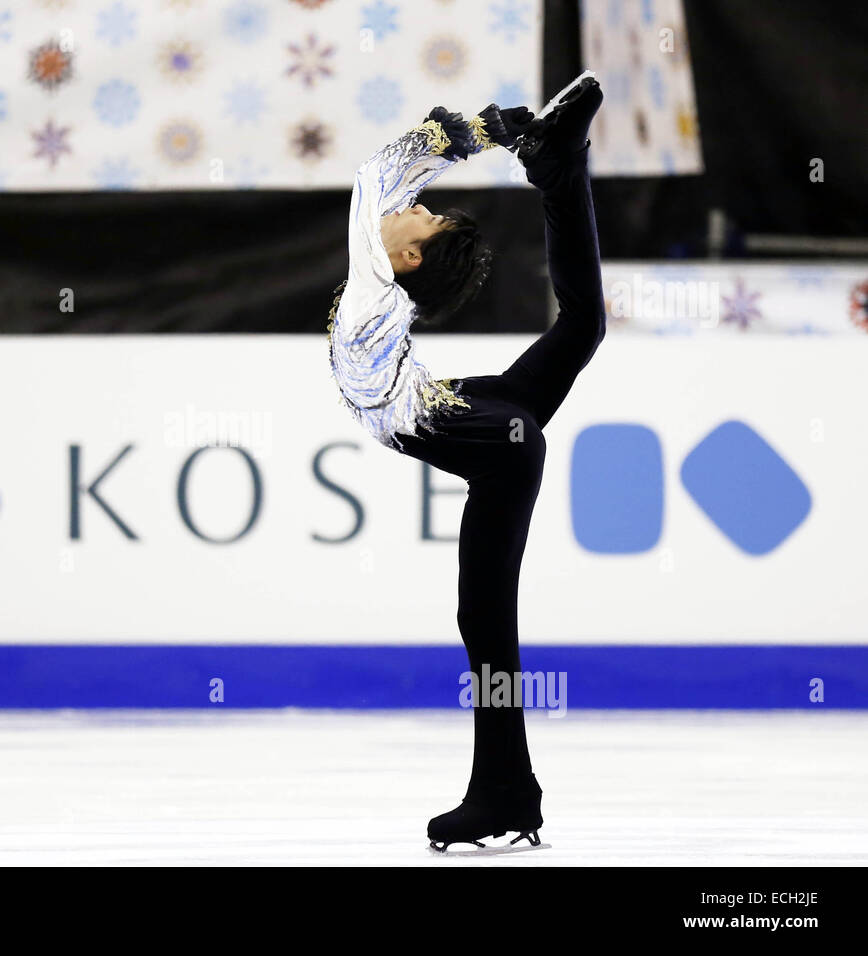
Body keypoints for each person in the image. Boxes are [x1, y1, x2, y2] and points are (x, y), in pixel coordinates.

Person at [326, 73, 606, 850]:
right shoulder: (385, 281)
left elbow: (375, 174)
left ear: (409, 257)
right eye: (423, 208)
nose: (409, 206)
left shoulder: (376, 282)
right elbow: (393, 177)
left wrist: (485, 129)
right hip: (455, 416)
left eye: (421, 216)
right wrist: (501, 133)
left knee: (483, 620)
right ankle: (561, 171)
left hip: (483, 438)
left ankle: (506, 792)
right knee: (579, 329)